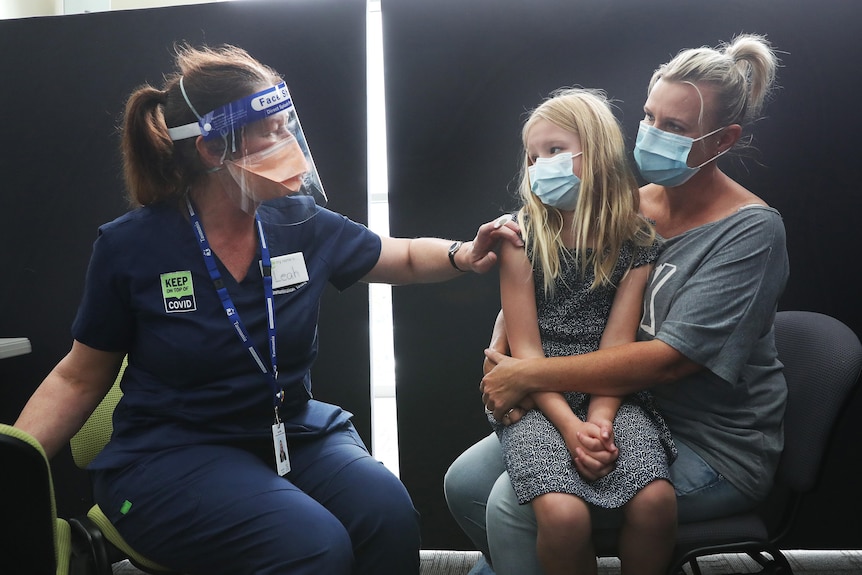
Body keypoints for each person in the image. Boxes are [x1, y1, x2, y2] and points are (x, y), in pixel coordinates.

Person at [13, 43, 517, 575]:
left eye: (287, 126)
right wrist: (14, 465)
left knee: (387, 512)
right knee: (313, 544)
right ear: (211, 149)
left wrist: (465, 253)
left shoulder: (297, 222)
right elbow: (78, 378)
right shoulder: (131, 248)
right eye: (271, 131)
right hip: (172, 454)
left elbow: (406, 257)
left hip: (290, 431)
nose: (290, 143)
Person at [445, 33, 788, 575]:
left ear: (723, 141)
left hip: (705, 439)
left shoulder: (751, 233)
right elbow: (550, 286)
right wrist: (501, 355)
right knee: (464, 483)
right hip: (599, 401)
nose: (652, 136)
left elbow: (672, 360)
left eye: (675, 128)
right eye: (649, 118)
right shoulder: (632, 205)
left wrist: (527, 377)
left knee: (517, 510)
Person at [490, 87, 676, 575]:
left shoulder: (638, 240)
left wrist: (600, 422)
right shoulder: (519, 236)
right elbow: (525, 352)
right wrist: (572, 429)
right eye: (532, 157)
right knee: (563, 513)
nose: (539, 165)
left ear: (595, 152)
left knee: (655, 501)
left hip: (612, 393)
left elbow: (619, 345)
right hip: (534, 397)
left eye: (553, 151)